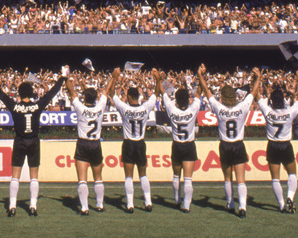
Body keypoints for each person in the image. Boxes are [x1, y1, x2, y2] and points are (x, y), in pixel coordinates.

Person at [0, 66, 67, 217]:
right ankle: (33, 206)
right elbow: (51, 93)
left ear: (19, 93)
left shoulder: (14, 106)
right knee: (34, 175)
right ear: (32, 93)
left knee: (15, 175)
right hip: (34, 141)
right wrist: (62, 78)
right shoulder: (37, 106)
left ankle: (12, 206)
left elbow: (0, 93)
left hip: (20, 141)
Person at [197, 64, 261, 218]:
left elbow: (206, 91)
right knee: (241, 179)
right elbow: (253, 93)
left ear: (223, 97)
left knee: (227, 178)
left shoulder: (219, 108)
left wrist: (200, 75)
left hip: (225, 145)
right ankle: (243, 208)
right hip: (238, 144)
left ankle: (230, 204)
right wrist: (258, 78)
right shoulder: (243, 106)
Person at [63, 68, 115, 215]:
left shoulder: (80, 107)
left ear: (84, 98)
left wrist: (66, 77)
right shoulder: (100, 106)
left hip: (83, 143)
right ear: (95, 98)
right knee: (98, 177)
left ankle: (85, 208)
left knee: (82, 179)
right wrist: (113, 77)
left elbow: (71, 91)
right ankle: (99, 205)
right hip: (96, 143)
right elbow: (106, 90)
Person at [110, 66, 160, 213]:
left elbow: (111, 93)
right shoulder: (145, 108)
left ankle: (130, 205)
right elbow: (156, 94)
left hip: (128, 144)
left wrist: (114, 77)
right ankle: (148, 202)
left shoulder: (124, 108)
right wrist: (156, 78)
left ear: (128, 96)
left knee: (129, 176)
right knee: (143, 174)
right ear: (138, 96)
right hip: (140, 143)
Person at [258, 71, 298, 213]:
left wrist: (258, 80)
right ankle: (290, 196)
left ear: (271, 100)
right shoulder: (289, 112)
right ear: (283, 100)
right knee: (292, 174)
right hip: (286, 145)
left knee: (275, 179)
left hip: (272, 145)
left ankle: (282, 205)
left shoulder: (267, 111)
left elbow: (257, 96)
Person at [156, 73, 202, 212]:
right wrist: (200, 76)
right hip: (189, 145)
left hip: (176, 145)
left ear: (176, 100)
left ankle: (177, 200)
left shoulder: (171, 109)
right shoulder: (193, 109)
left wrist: (158, 78)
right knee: (188, 178)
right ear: (188, 100)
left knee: (176, 175)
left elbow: (162, 92)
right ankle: (186, 206)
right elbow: (199, 93)